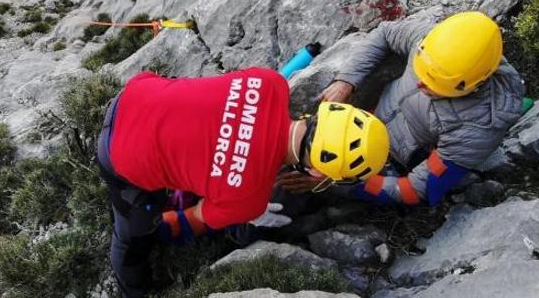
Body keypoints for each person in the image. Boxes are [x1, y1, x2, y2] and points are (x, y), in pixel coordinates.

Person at [95, 67, 390, 297]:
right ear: (316, 170)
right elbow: (192, 219)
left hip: (135, 92)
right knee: (133, 240)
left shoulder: (270, 82)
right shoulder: (248, 200)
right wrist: (162, 223)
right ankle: (134, 292)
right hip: (117, 157)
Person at [278, 12, 524, 205]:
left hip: (385, 162)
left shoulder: (478, 127)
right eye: (421, 70)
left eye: (435, 85)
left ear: (474, 86)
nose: (420, 83)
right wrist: (346, 81)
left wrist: (338, 182)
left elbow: (414, 190)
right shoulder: (433, 43)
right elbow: (384, 34)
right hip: (362, 121)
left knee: (283, 193)